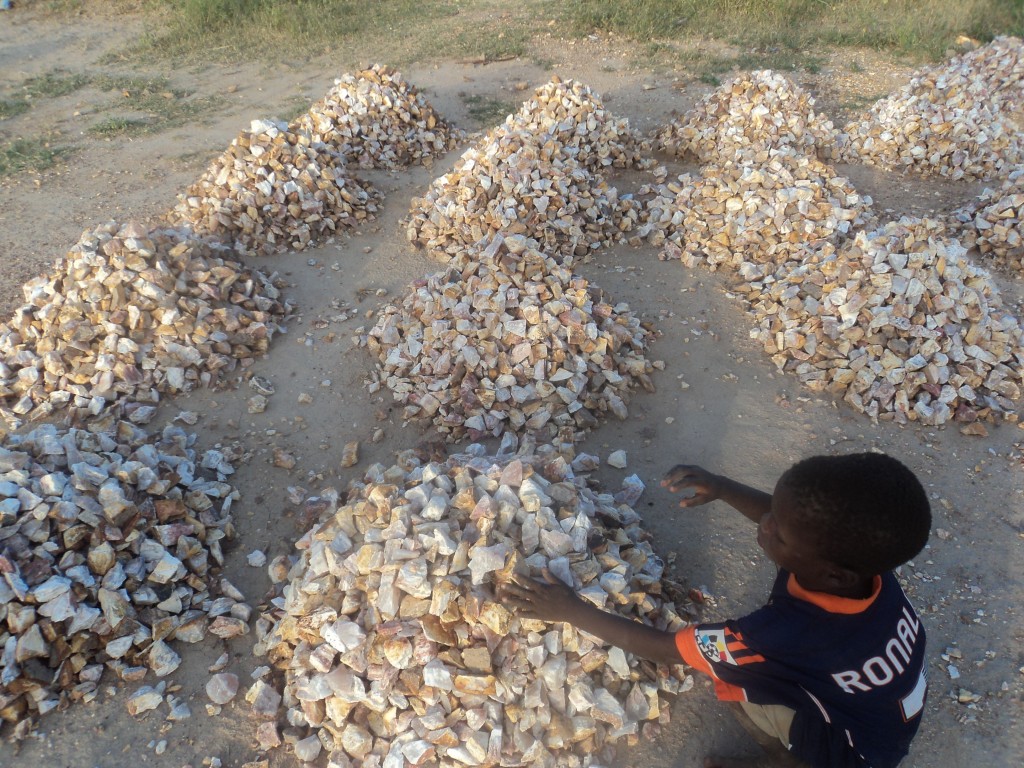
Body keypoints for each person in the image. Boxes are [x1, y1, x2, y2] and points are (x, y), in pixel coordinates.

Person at [499, 453, 931, 768]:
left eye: (778, 533)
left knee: (732, 677)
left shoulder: (772, 635)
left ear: (833, 574)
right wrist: (723, 488)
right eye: (773, 511)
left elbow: (668, 648)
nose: (765, 524)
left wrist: (569, 609)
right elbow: (792, 522)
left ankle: (785, 761)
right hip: (882, 719)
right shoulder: (872, 577)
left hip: (849, 755)